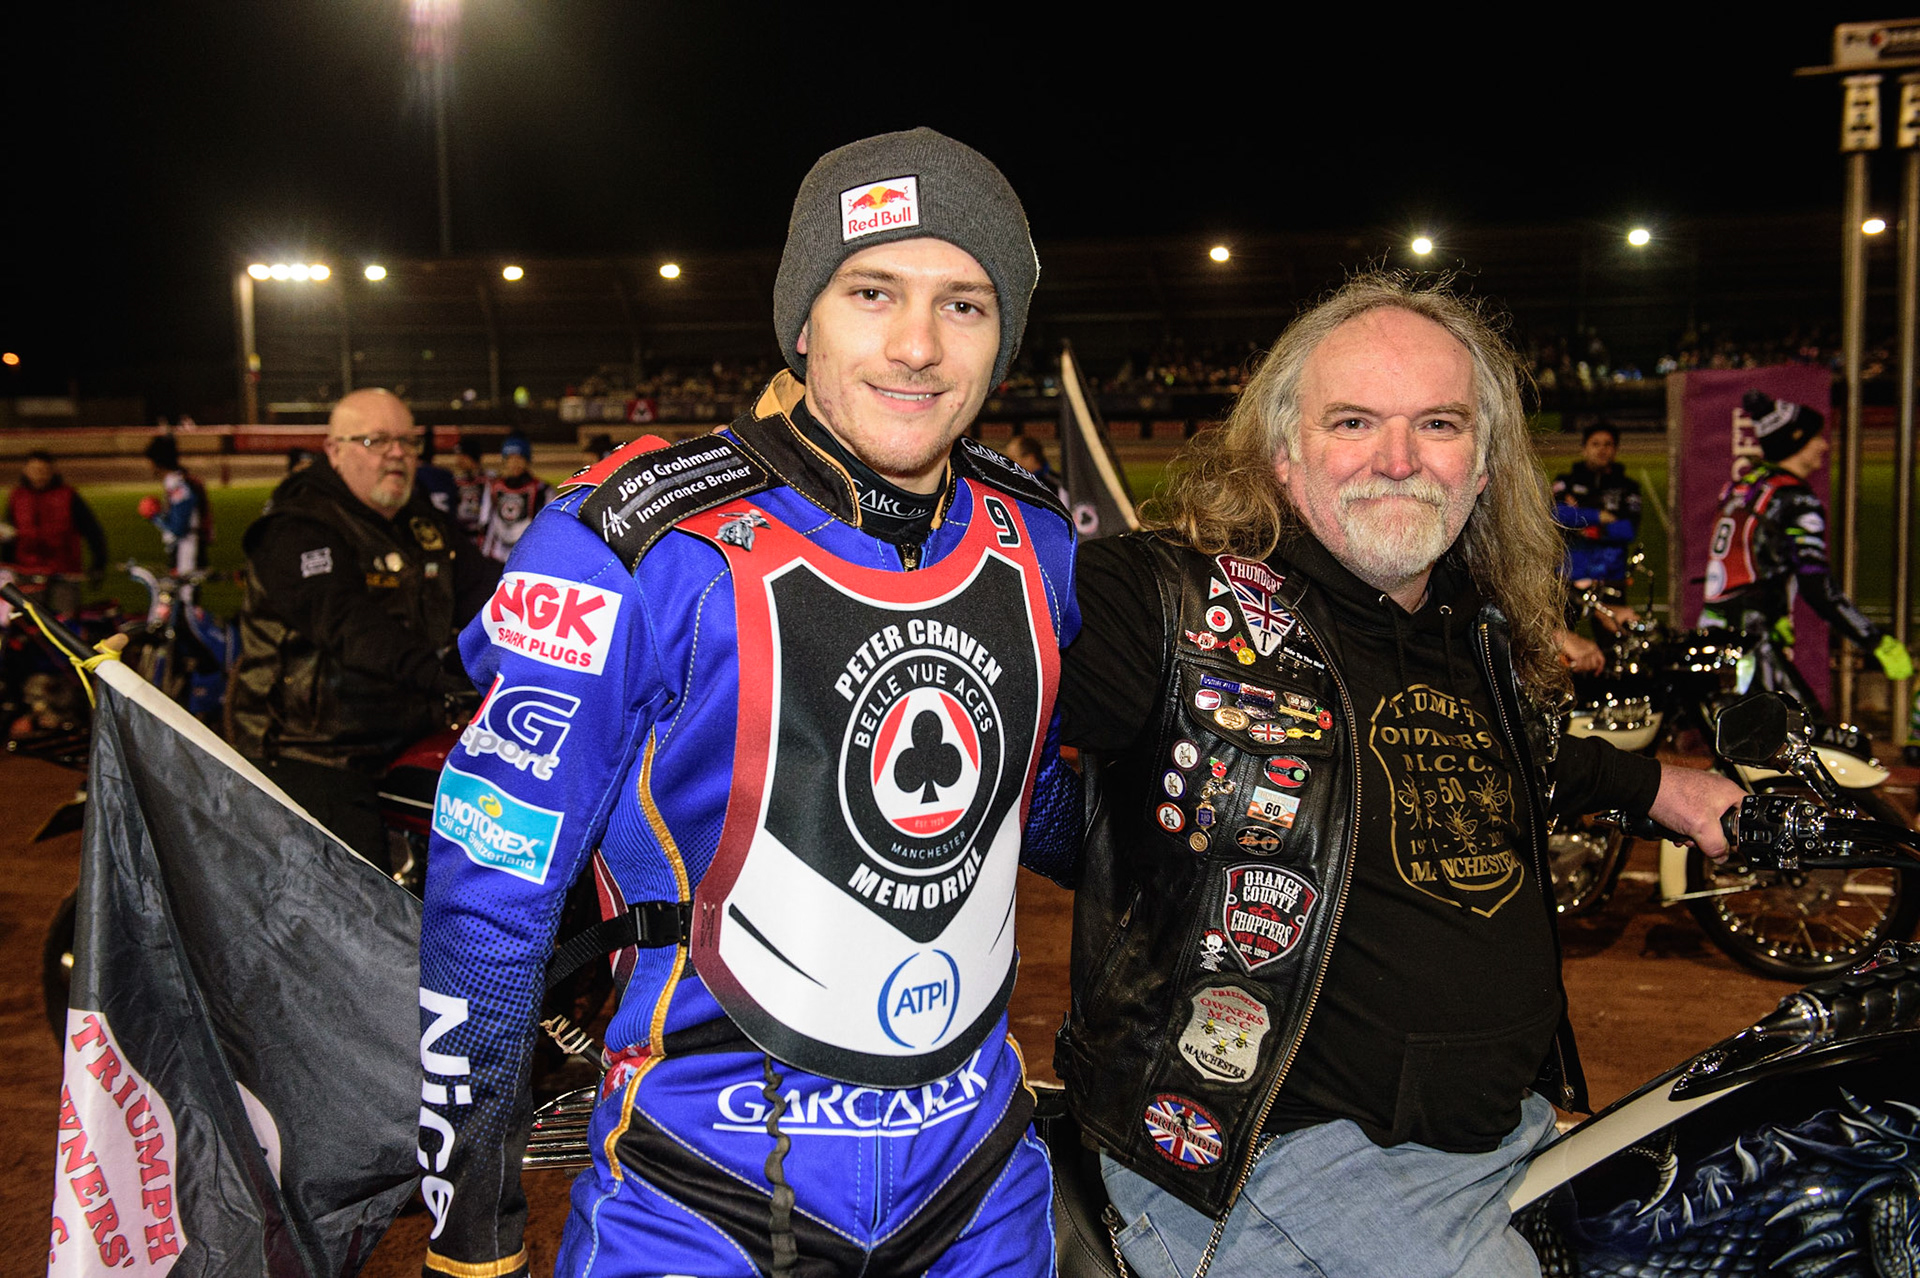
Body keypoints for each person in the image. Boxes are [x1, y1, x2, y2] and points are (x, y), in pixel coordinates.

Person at [416, 128, 1078, 1278]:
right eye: (874, 291)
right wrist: (472, 1231)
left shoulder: (1045, 542)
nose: (917, 346)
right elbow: (490, 898)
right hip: (696, 1197)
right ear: (804, 317)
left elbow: (1059, 818)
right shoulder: (631, 542)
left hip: (981, 1196)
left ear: (1004, 340)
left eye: (965, 306)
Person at [1055, 274, 1744, 1277]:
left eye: (1438, 424)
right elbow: (965, 639)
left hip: (1500, 1139)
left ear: (1481, 467)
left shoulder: (1462, 626)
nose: (1397, 460)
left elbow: (1507, 761)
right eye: (1353, 422)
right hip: (1264, 1170)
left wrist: (1663, 789)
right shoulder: (1166, 607)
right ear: (1284, 457)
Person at [230, 387, 498, 864]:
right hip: (315, 749)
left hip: (409, 731)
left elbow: (490, 596)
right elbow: (349, 625)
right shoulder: (297, 527)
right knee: (357, 896)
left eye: (407, 442)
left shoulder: (424, 524)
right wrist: (441, 673)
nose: (397, 454)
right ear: (334, 452)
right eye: (377, 442)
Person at [1700, 391, 1913, 708]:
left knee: (1738, 741)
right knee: (1804, 739)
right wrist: (1874, 640)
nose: (1823, 446)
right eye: (1816, 437)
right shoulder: (1796, 499)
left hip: (1714, 632)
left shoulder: (1741, 486)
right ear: (1794, 441)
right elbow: (1816, 583)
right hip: (1752, 640)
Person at [4, 451, 107, 617]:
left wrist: (99, 563)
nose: (39, 475)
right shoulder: (17, 497)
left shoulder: (68, 496)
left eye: (43, 471)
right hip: (27, 573)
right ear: (26, 471)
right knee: (27, 622)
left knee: (65, 622)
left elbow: (92, 530)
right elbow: (10, 535)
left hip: (63, 573)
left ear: (53, 472)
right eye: (34, 470)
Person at [476, 434, 552, 562]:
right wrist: (484, 554)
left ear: (527, 460)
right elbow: (485, 522)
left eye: (519, 458)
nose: (515, 463)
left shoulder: (542, 490)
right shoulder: (494, 487)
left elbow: (548, 526)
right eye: (511, 458)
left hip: (527, 555)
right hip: (498, 555)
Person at [139, 435, 208, 574]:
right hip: (185, 547)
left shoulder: (176, 485)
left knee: (184, 594)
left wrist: (154, 516)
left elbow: (178, 528)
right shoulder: (179, 481)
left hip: (186, 550)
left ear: (158, 462)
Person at [1007, 435, 1069, 505]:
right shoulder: (1012, 484)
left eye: (1013, 459)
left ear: (1030, 459)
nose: (1008, 463)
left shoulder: (1058, 486)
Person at [450, 435, 489, 543]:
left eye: (462, 456)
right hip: (461, 535)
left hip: (482, 537)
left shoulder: (488, 481)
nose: (458, 461)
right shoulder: (455, 481)